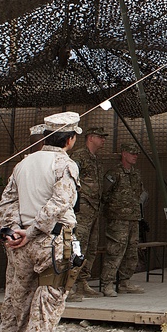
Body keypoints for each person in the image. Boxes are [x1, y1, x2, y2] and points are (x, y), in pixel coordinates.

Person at [0, 112, 82, 332]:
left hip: (21, 245)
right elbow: (61, 202)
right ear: (69, 139)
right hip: (51, 242)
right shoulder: (64, 165)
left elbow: (7, 201)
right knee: (48, 304)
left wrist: (14, 231)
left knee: (21, 302)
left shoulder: (24, 163)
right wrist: (32, 230)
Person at [100, 143, 146, 297]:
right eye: (132, 153)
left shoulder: (136, 173)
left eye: (136, 154)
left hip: (133, 217)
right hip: (118, 219)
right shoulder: (114, 173)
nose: (135, 156)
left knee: (132, 251)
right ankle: (107, 284)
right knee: (115, 250)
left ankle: (124, 282)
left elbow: (139, 192)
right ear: (124, 154)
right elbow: (104, 194)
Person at [68, 126, 108, 301]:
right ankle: (68, 284)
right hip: (82, 208)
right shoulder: (78, 157)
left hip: (94, 208)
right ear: (90, 138)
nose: (103, 140)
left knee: (91, 247)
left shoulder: (96, 159)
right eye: (100, 137)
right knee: (77, 245)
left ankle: (82, 281)